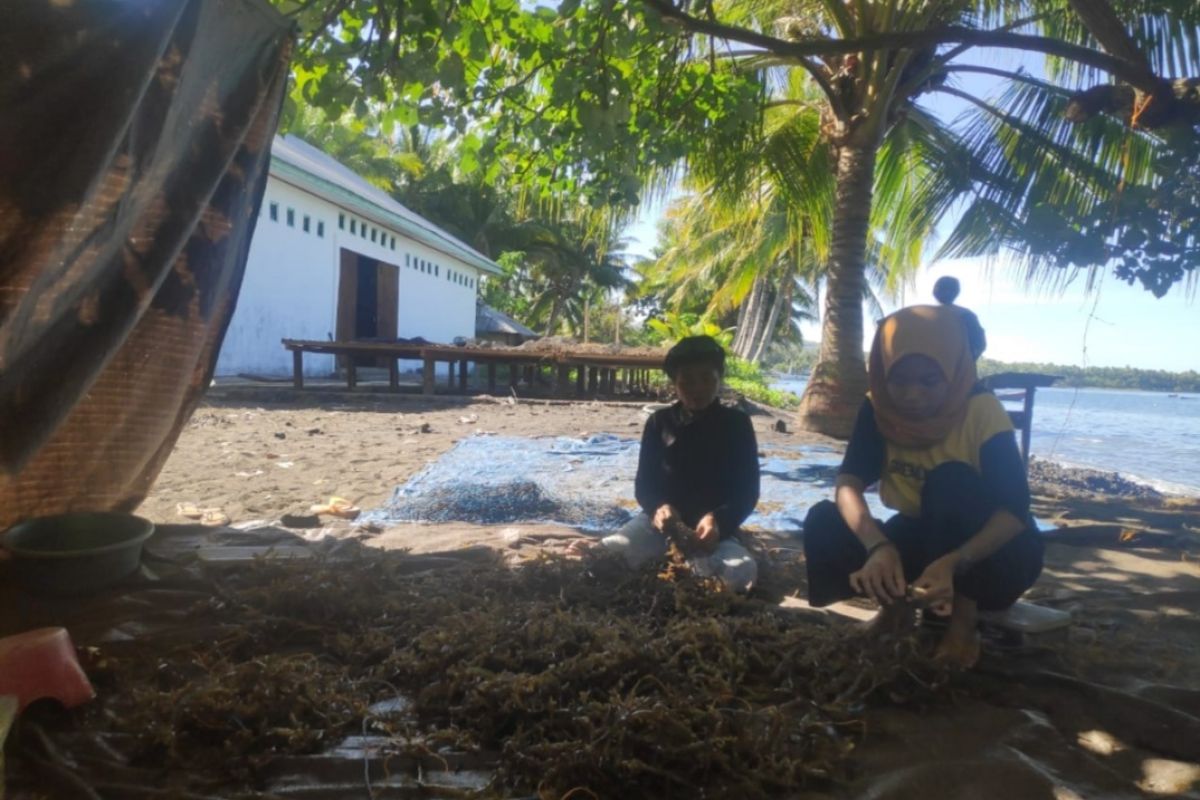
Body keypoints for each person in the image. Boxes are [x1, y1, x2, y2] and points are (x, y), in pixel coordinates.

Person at [802, 305, 1043, 668]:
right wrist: (878, 546)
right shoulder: (877, 407)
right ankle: (895, 613)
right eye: (899, 381)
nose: (912, 395)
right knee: (824, 520)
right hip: (925, 533)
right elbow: (849, 482)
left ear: (953, 372)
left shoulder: (981, 411)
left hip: (996, 555)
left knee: (950, 480)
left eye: (929, 381)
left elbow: (1015, 512)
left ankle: (963, 626)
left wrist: (955, 562)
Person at [599, 335, 761, 592]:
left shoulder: (737, 424)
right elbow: (644, 484)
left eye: (707, 379)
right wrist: (657, 508)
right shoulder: (658, 423)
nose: (697, 388)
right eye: (687, 380)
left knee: (740, 571)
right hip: (657, 528)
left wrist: (718, 519)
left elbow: (748, 491)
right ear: (675, 383)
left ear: (719, 379)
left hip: (714, 535)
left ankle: (682, 572)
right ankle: (682, 571)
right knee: (606, 556)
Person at [933, 275, 987, 360]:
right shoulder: (966, 315)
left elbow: (979, 345)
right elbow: (979, 345)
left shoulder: (965, 315)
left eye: (940, 288)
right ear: (957, 292)